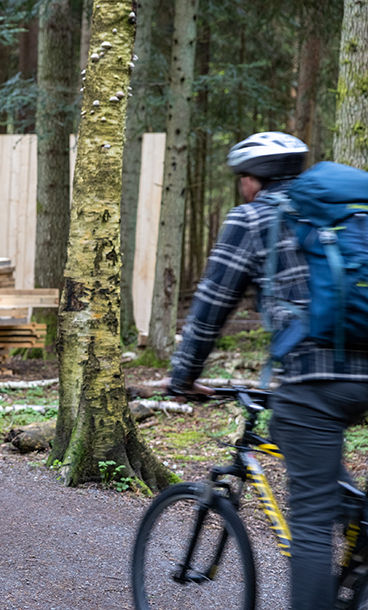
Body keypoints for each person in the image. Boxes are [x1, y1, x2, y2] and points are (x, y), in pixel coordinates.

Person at [168, 132, 368, 610]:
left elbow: (213, 305)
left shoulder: (254, 217)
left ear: (254, 181)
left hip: (317, 375)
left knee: (312, 523)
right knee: (295, 430)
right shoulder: (348, 218)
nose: (242, 188)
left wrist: (183, 376)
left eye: (242, 179)